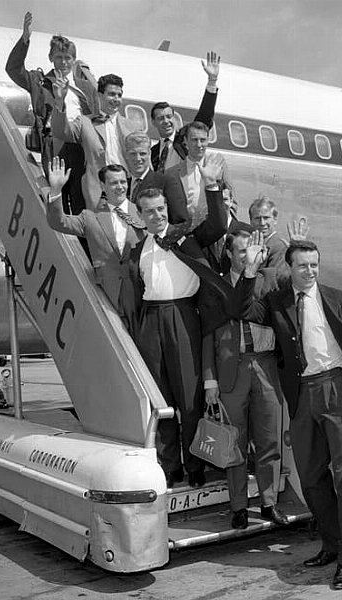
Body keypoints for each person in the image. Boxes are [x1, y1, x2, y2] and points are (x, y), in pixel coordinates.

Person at [238, 238, 342, 591]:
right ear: (290, 267)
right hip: (302, 394)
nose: (310, 270)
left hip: (339, 389)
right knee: (311, 477)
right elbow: (240, 309)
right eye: (303, 265)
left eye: (314, 264)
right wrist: (250, 273)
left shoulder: (339, 299)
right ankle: (330, 544)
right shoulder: (277, 302)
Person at [128, 161, 229, 488]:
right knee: (162, 396)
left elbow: (217, 224)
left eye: (160, 209)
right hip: (151, 321)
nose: (156, 215)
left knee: (189, 396)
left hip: (183, 316)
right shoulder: (137, 250)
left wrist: (212, 187)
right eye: (149, 211)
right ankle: (170, 464)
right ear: (140, 215)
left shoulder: (185, 236)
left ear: (167, 209)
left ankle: (196, 465)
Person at [204, 228, 288, 529]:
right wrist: (209, 380)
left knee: (269, 439)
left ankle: (268, 503)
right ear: (228, 253)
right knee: (234, 443)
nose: (248, 256)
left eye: (252, 251)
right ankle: (238, 506)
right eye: (241, 251)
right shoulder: (216, 286)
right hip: (231, 371)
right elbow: (207, 335)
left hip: (266, 367)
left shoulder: (269, 280)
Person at [6, 11, 98, 214]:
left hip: (79, 145)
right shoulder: (40, 82)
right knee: (57, 198)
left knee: (81, 199)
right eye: (59, 57)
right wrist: (25, 39)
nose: (63, 62)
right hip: (53, 144)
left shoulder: (85, 87)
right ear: (51, 58)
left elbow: (96, 118)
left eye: (68, 58)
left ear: (74, 60)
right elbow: (13, 69)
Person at [46, 158, 145, 335]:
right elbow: (57, 222)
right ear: (103, 186)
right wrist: (56, 190)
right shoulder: (90, 218)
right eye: (114, 183)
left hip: (142, 293)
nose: (120, 186)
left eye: (123, 182)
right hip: (109, 295)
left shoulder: (143, 212)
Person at [51, 71, 140, 211]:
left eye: (119, 95)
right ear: (99, 96)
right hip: (99, 192)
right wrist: (59, 102)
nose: (116, 99)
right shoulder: (85, 122)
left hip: (126, 189)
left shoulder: (132, 127)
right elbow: (61, 132)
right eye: (111, 94)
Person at [150, 52, 220, 172]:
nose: (166, 121)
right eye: (161, 118)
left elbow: (204, 118)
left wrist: (212, 81)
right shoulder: (153, 152)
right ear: (153, 122)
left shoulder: (184, 139)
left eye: (169, 117)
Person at [165, 121, 232, 229]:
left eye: (203, 140)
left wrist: (227, 225)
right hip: (184, 232)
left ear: (208, 140)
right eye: (194, 140)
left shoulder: (219, 165)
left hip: (212, 231)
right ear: (185, 141)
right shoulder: (172, 173)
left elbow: (231, 199)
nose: (199, 145)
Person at [123, 131, 189, 226]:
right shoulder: (122, 185)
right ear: (126, 155)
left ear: (149, 153)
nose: (138, 158)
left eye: (142, 153)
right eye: (133, 154)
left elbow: (180, 222)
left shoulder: (166, 182)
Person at [248, 196, 290, 287]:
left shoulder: (280, 248)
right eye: (257, 218)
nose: (262, 223)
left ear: (275, 220)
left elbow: (272, 281)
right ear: (251, 221)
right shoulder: (247, 244)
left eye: (266, 218)